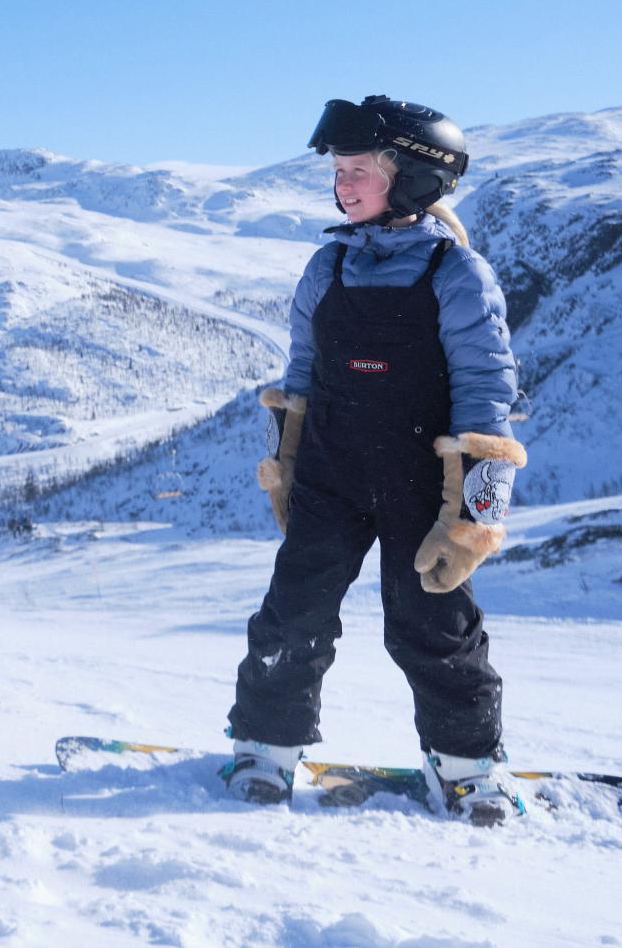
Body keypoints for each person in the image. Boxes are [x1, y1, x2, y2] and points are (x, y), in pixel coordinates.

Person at [224, 95, 527, 824]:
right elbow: (299, 380)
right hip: (330, 473)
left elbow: (488, 401)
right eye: (339, 170)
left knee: (430, 621)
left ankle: (466, 766)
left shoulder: (456, 275)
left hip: (422, 484)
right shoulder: (326, 267)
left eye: (360, 169)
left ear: (414, 179)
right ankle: (265, 748)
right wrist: (288, 465)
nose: (344, 183)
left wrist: (478, 515)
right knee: (294, 609)